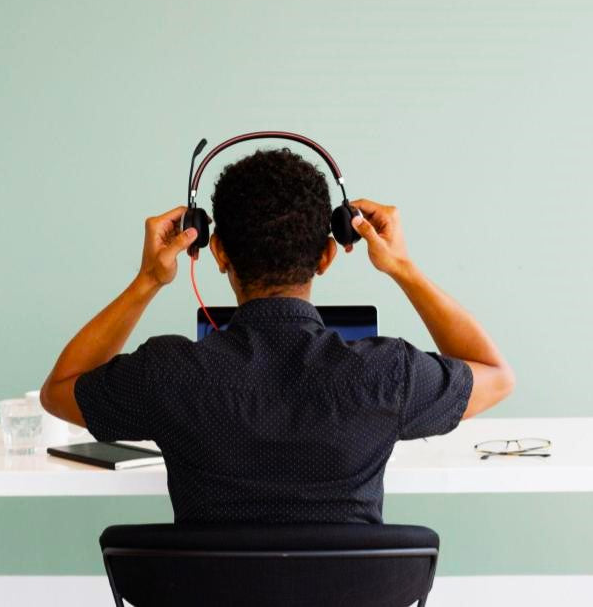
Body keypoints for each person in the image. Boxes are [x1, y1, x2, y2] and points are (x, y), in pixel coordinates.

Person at [40, 148, 514, 524]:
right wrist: (403, 268)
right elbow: (496, 375)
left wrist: (148, 279)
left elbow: (59, 390)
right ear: (328, 256)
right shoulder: (388, 374)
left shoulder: (167, 374)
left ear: (217, 251)